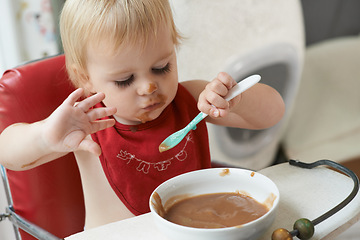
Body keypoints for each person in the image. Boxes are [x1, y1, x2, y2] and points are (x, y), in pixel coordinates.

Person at [0, 0, 285, 229]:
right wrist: (46, 136)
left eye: (162, 67)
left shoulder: (194, 101)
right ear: (84, 77)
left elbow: (273, 112)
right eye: (125, 80)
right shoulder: (85, 123)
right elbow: (7, 152)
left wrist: (237, 99)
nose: (149, 86)